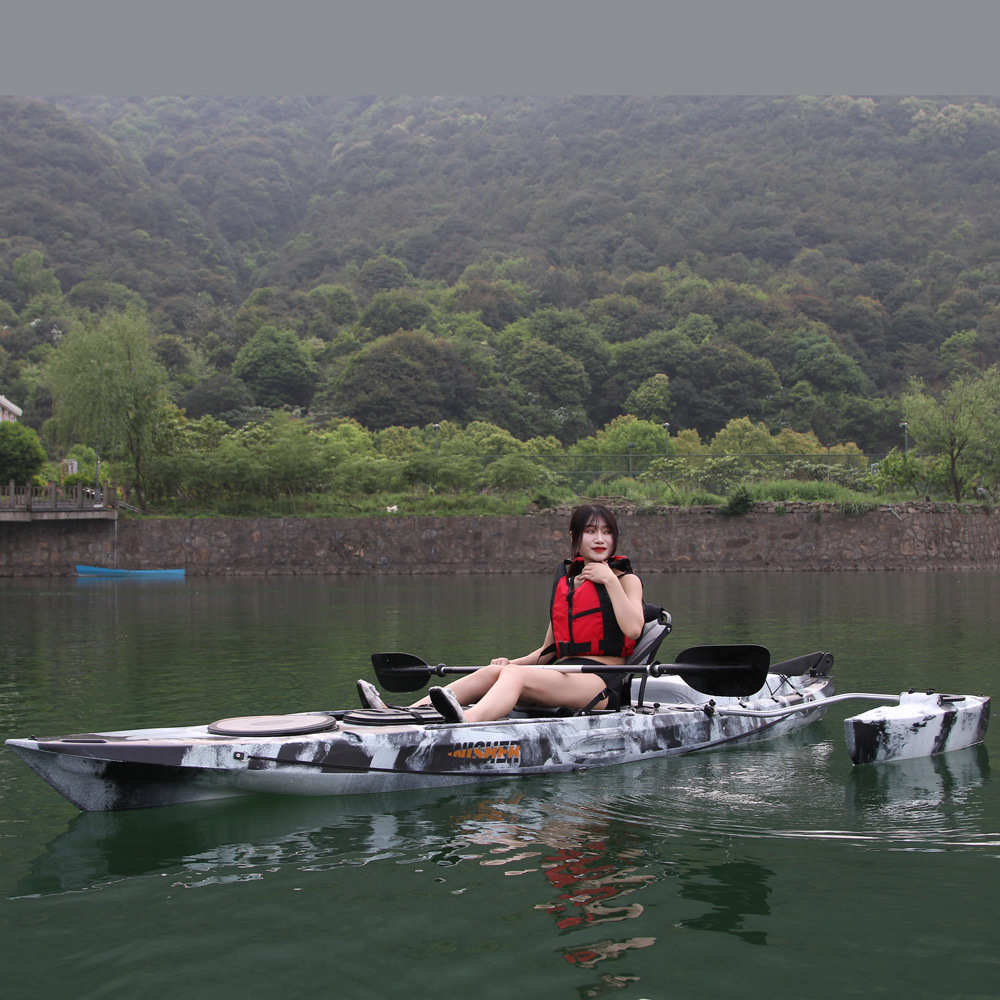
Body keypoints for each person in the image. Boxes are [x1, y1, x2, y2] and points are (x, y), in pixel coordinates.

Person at [356, 504, 645, 723]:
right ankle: (405, 714)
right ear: (575, 536)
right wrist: (511, 663)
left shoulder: (624, 580)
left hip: (600, 683)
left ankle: (466, 722)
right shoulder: (568, 584)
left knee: (515, 677)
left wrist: (608, 580)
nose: (600, 539)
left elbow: (633, 629)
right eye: (591, 531)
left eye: (607, 532)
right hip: (561, 674)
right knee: (498, 671)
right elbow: (547, 651)